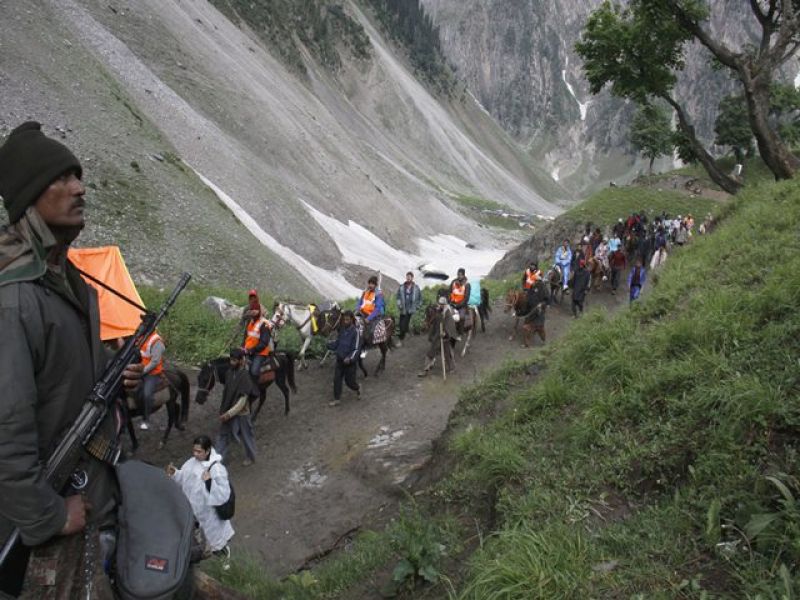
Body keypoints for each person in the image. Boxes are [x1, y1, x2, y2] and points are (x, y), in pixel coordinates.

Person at [0, 121, 142, 596]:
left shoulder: (73, 285)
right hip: (47, 524)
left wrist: (111, 380)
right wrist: (50, 515)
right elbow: (6, 427)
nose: (79, 187)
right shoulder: (15, 300)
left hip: (88, 503)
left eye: (77, 176)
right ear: (28, 196)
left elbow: (58, 383)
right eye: (61, 178)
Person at [168, 435, 234, 562]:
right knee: (196, 538)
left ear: (208, 450)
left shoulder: (217, 470)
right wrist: (175, 473)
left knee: (218, 544)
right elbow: (184, 478)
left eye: (199, 451)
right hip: (194, 512)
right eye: (194, 450)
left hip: (210, 515)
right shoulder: (190, 463)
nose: (195, 454)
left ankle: (226, 563)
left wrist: (209, 482)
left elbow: (223, 494)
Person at [217, 348, 257, 466]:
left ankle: (251, 456)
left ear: (240, 361)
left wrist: (229, 414)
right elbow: (227, 393)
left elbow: (242, 401)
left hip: (241, 413)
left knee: (246, 435)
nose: (231, 363)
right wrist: (224, 410)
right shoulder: (229, 373)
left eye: (234, 360)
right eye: (231, 360)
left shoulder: (244, 376)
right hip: (228, 411)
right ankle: (217, 461)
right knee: (223, 435)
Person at [326, 310, 362, 407]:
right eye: (344, 319)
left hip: (349, 363)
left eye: (347, 319)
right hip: (340, 360)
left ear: (351, 320)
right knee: (336, 379)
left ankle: (357, 388)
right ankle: (337, 399)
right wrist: (329, 345)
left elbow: (356, 348)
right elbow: (338, 343)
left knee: (349, 382)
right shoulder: (342, 330)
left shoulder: (356, 332)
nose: (345, 321)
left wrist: (350, 358)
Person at [418, 293, 458, 377]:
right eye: (439, 304)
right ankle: (425, 370)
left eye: (442, 304)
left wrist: (445, 333)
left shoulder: (448, 314)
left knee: (448, 354)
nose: (440, 305)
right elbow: (434, 322)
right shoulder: (438, 312)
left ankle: (452, 368)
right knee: (430, 353)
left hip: (445, 338)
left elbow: (450, 325)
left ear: (445, 304)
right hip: (437, 336)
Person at [242, 301, 273, 393]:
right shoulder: (250, 323)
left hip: (260, 352)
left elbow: (264, 343)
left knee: (254, 371)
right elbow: (246, 338)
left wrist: (251, 350)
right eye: (251, 310)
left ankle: (255, 389)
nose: (252, 312)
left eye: (254, 310)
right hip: (248, 350)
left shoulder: (265, 324)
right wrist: (242, 347)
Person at [138, 329, 165, 430]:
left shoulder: (157, 341)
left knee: (147, 394)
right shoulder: (141, 337)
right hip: (140, 369)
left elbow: (155, 362)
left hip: (152, 373)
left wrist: (142, 372)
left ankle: (146, 419)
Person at [356, 275, 385, 341]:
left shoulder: (378, 294)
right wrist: (357, 308)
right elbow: (360, 302)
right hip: (362, 313)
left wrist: (369, 318)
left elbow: (377, 309)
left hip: (372, 315)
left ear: (375, 285)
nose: (370, 285)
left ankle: (368, 345)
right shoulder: (365, 292)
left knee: (370, 332)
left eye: (372, 284)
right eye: (370, 283)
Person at [395, 272, 421, 342]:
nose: (408, 278)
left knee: (404, 324)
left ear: (412, 278)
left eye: (409, 276)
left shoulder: (416, 288)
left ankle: (401, 339)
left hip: (410, 309)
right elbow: (398, 297)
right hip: (402, 308)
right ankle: (404, 334)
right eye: (407, 276)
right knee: (401, 324)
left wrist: (418, 306)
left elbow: (420, 298)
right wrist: (399, 304)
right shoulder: (402, 287)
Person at [522, 278, 548, 346]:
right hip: (531, 312)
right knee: (526, 327)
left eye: (531, 282)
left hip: (539, 313)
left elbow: (546, 300)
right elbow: (527, 302)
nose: (530, 283)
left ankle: (543, 341)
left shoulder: (543, 288)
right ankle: (526, 344)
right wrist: (519, 313)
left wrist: (541, 304)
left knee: (540, 329)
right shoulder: (530, 290)